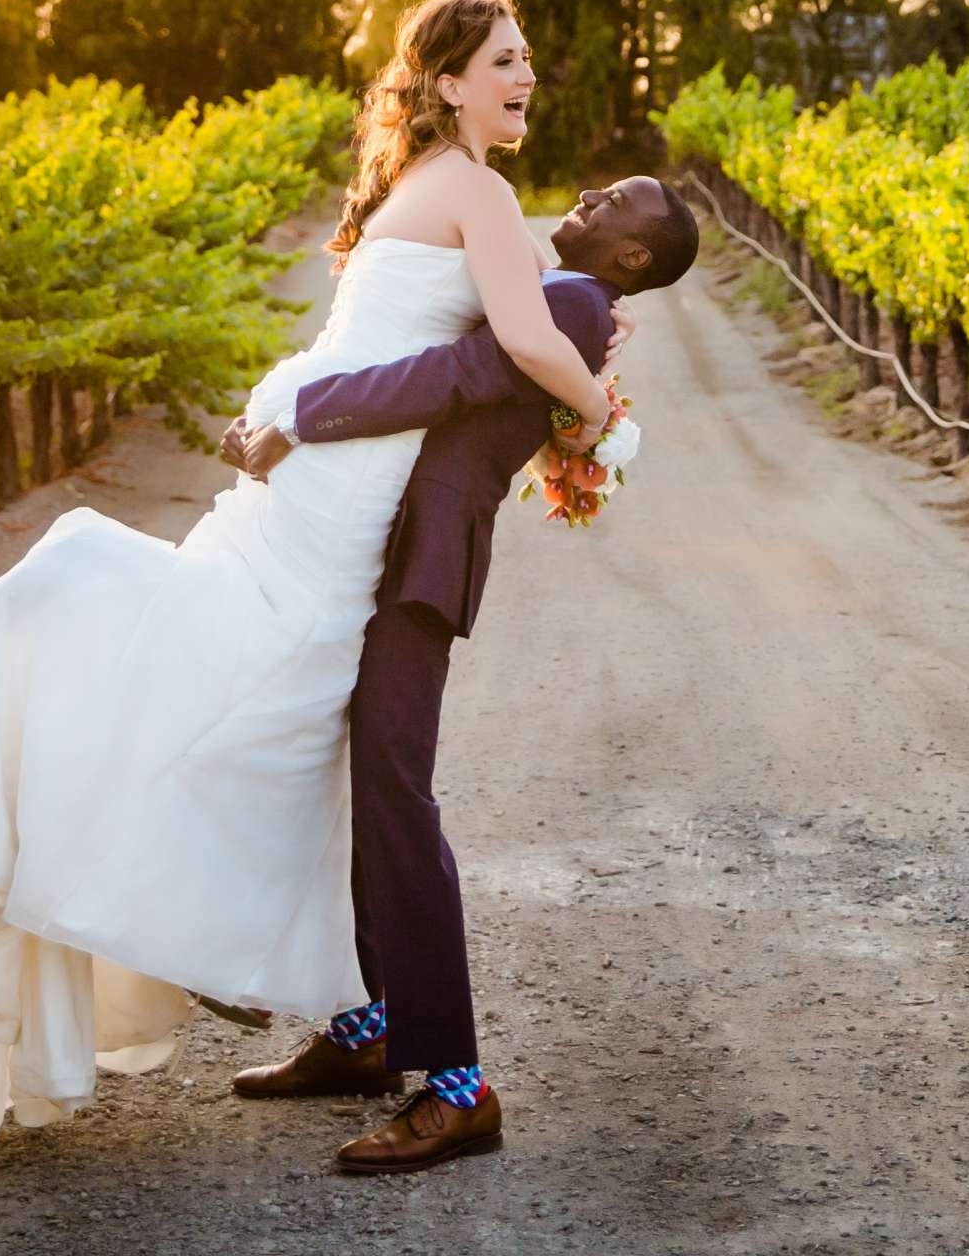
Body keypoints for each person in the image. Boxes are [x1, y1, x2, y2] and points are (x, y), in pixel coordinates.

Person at [0, 0, 628, 1163]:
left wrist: (283, 417)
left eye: (528, 60)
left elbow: (398, 354)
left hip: (336, 489)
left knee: (282, 723)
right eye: (507, 60)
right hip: (341, 495)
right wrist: (602, 412)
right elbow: (513, 347)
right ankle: (366, 1026)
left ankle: (351, 1014)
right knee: (270, 720)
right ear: (451, 80)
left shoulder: (427, 184)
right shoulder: (474, 188)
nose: (527, 78)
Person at [219, 175, 699, 1173]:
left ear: (632, 258)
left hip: (423, 554)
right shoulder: (571, 300)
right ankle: (370, 1031)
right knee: (372, 784)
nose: (594, 194)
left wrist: (302, 411)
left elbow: (442, 375)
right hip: (401, 540)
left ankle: (456, 1086)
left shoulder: (567, 304)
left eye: (619, 200)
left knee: (398, 796)